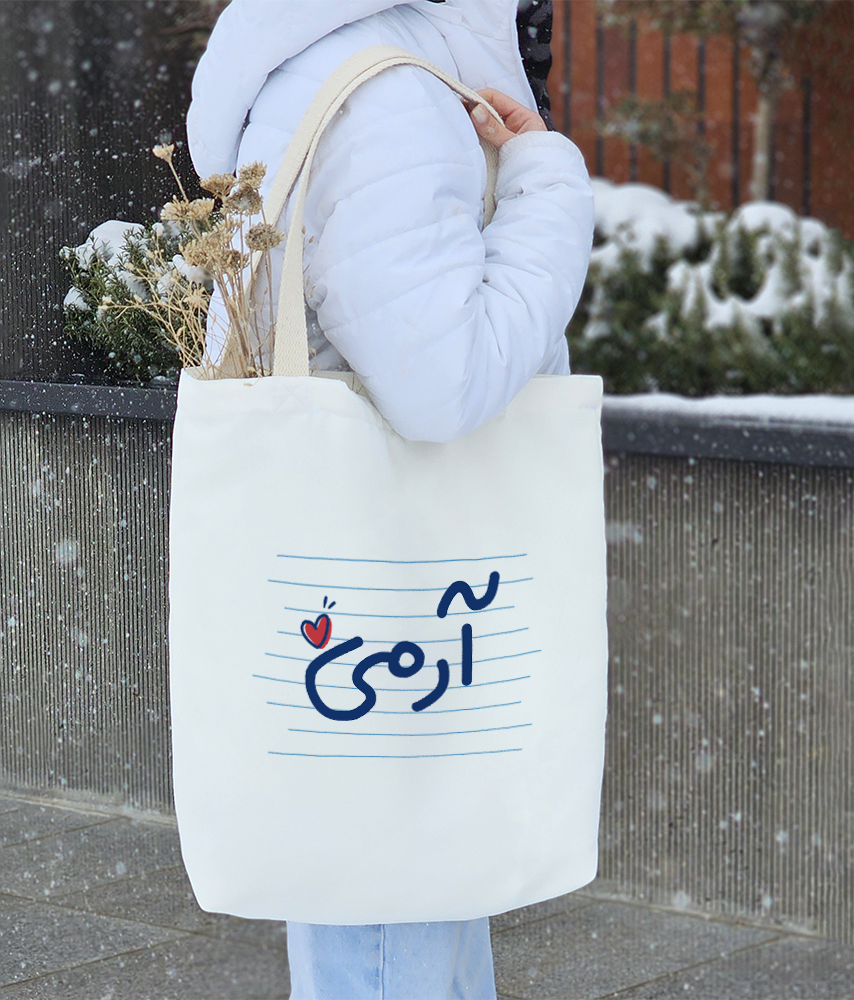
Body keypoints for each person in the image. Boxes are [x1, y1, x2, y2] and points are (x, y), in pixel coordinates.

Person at [187, 1, 594, 996]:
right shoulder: (388, 95)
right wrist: (546, 185)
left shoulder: (341, 60)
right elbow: (441, 384)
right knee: (392, 915)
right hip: (403, 610)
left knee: (398, 893)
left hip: (382, 602)